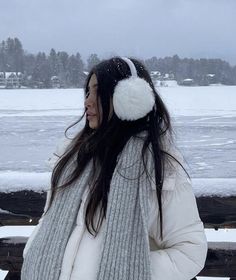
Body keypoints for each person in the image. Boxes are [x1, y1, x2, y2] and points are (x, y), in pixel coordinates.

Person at [21, 57, 207, 280]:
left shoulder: (159, 167)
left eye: (98, 92)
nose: (87, 102)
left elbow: (189, 250)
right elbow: (47, 223)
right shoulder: (73, 159)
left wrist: (131, 270)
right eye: (87, 93)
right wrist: (35, 254)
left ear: (128, 99)